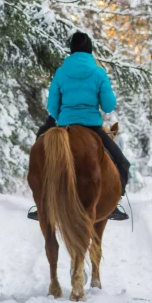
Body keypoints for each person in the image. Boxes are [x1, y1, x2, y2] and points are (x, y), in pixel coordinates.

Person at [29, 31, 130, 221]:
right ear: (90, 50)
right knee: (122, 163)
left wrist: (63, 119)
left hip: (65, 126)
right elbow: (108, 106)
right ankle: (114, 204)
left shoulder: (61, 72)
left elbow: (51, 106)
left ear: (71, 50)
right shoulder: (99, 72)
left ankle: (42, 204)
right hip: (92, 127)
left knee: (41, 159)